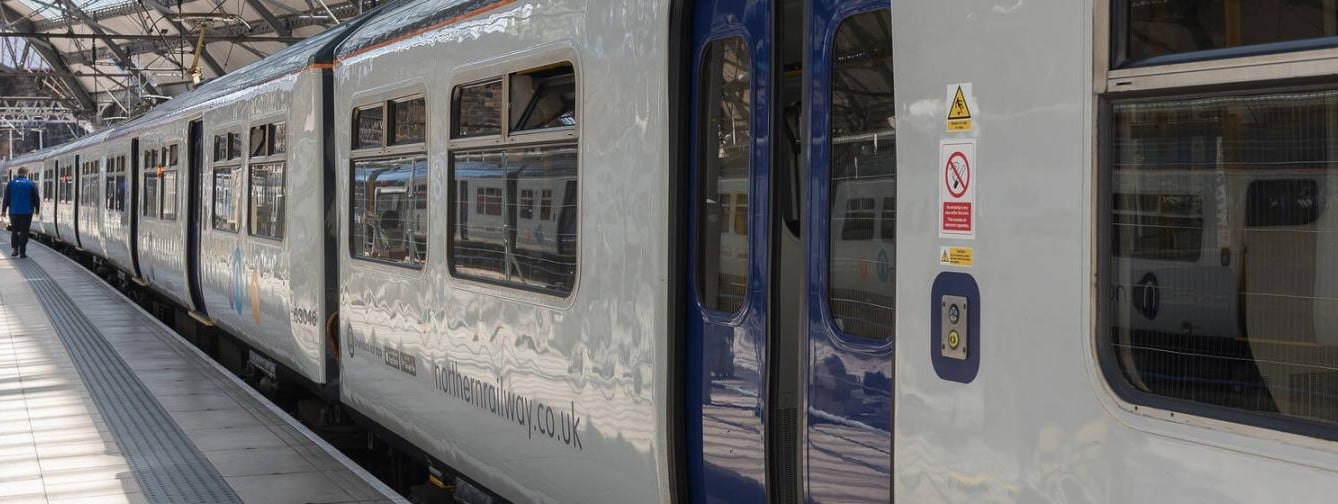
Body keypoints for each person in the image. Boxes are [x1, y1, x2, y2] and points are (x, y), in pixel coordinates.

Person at [2, 167, 40, 258]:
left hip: (14, 212)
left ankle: (15, 250)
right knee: (24, 232)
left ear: (18, 173)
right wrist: (37, 209)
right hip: (27, 211)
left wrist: (3, 210)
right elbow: (36, 198)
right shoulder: (31, 184)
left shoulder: (11, 184)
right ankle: (22, 252)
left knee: (14, 230)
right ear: (26, 173)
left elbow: (6, 197)